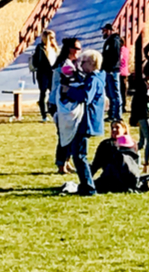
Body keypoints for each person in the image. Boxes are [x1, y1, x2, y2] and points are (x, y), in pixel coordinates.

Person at [61, 49, 105, 196]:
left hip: (87, 121)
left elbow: (86, 96)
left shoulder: (93, 79)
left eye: (84, 62)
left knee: (79, 154)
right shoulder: (95, 78)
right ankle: (87, 184)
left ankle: (88, 187)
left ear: (92, 63)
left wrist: (68, 90)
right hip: (88, 121)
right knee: (78, 153)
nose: (81, 65)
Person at [91, 121, 149, 193]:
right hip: (131, 177)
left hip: (112, 177)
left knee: (97, 185)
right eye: (112, 128)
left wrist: (88, 177)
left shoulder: (107, 144)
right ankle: (142, 184)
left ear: (124, 129)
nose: (114, 130)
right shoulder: (133, 143)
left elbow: (96, 163)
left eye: (117, 127)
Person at [50, 37, 81, 174]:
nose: (80, 51)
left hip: (61, 102)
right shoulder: (65, 65)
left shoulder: (68, 63)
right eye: (77, 48)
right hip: (59, 103)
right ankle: (61, 164)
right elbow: (72, 81)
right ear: (70, 49)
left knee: (70, 133)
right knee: (64, 133)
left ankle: (66, 162)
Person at [130, 49, 149, 174]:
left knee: (142, 142)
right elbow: (135, 101)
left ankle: (129, 154)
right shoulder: (142, 84)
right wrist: (134, 117)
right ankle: (147, 165)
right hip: (142, 115)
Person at [30, 30, 58, 123]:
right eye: (51, 38)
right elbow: (38, 62)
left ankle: (53, 111)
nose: (53, 39)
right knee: (43, 93)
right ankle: (44, 115)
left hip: (52, 73)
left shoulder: (55, 48)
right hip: (43, 74)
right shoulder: (41, 48)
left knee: (53, 93)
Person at [100, 23, 123, 122]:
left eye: (104, 30)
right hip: (108, 70)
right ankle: (112, 114)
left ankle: (117, 115)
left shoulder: (114, 41)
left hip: (112, 71)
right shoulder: (109, 41)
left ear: (110, 30)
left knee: (115, 93)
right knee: (110, 94)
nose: (103, 33)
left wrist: (110, 67)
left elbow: (115, 56)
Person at [119, 40, 130, 114]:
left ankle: (121, 106)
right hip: (125, 72)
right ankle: (123, 105)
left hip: (120, 72)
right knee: (124, 91)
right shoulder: (126, 50)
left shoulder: (120, 51)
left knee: (120, 91)